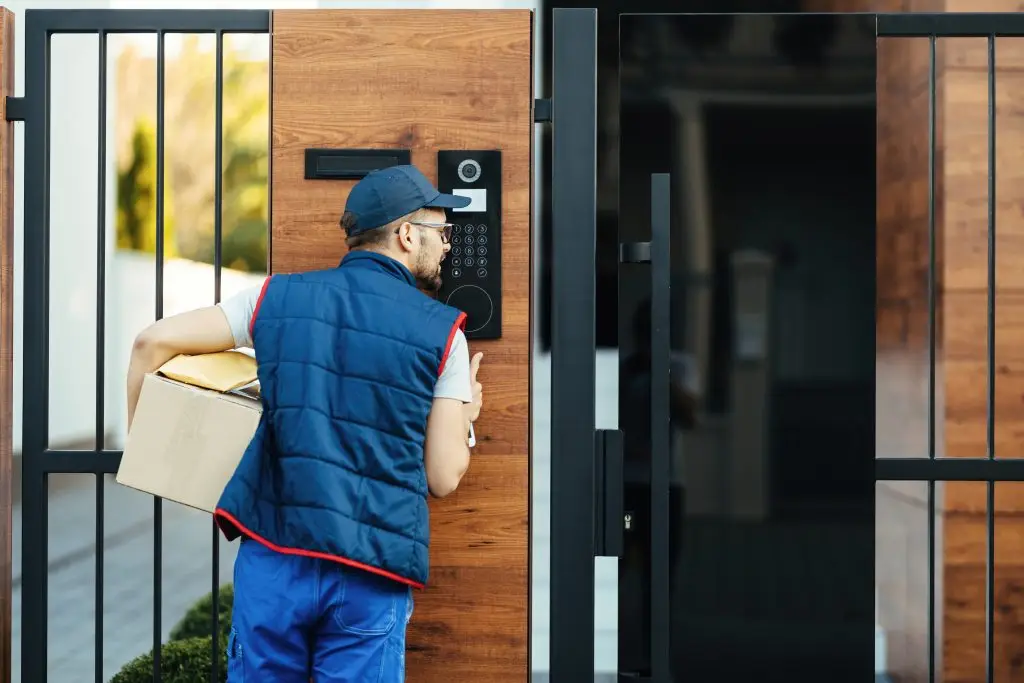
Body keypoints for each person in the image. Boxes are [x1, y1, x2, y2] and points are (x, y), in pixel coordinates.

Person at [125, 164, 484, 682]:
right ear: (407, 235)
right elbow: (443, 475)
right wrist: (466, 413)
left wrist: (148, 457)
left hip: (275, 556)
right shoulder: (444, 334)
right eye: (443, 232)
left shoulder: (272, 298)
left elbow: (148, 344)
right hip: (371, 568)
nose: (449, 245)